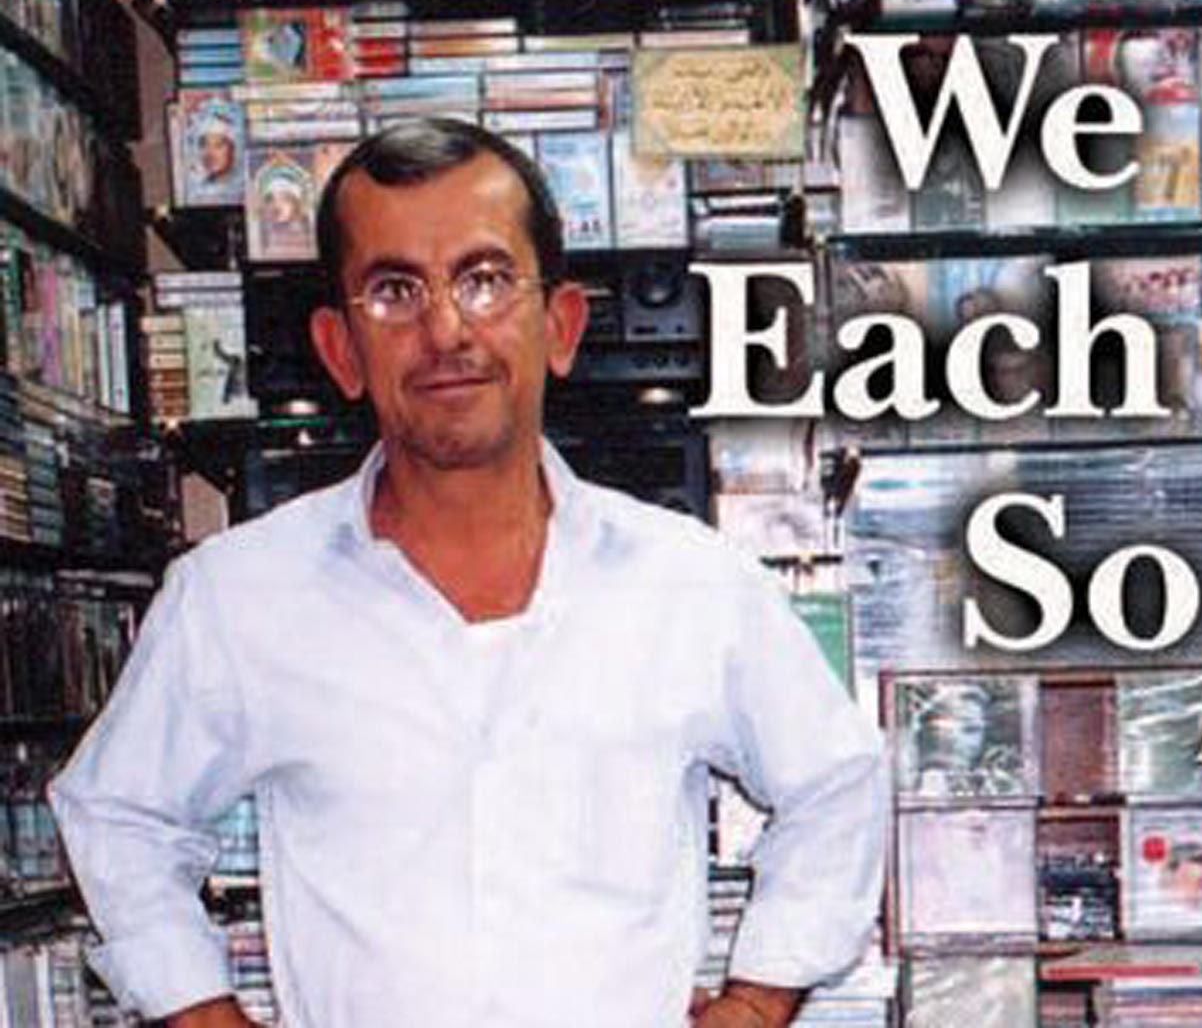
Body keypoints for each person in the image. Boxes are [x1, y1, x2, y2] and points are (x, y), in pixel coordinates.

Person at [50, 119, 889, 1028]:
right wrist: (203, 1015)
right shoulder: (237, 596)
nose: (445, 329)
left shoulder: (693, 586)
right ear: (338, 350)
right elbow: (117, 815)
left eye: (485, 280)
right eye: (393, 290)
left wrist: (759, 1005)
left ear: (560, 324)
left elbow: (836, 786)